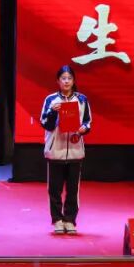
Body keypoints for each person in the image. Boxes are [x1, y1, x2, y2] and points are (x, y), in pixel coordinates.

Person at [40, 64, 92, 234]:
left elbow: (88, 121)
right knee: (54, 189)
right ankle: (57, 220)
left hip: (75, 150)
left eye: (69, 78)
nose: (66, 81)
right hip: (55, 150)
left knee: (72, 189)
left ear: (74, 80)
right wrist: (53, 112)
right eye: (63, 78)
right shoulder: (51, 100)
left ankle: (70, 220)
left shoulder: (82, 99)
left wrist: (84, 128)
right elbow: (45, 124)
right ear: (58, 81)